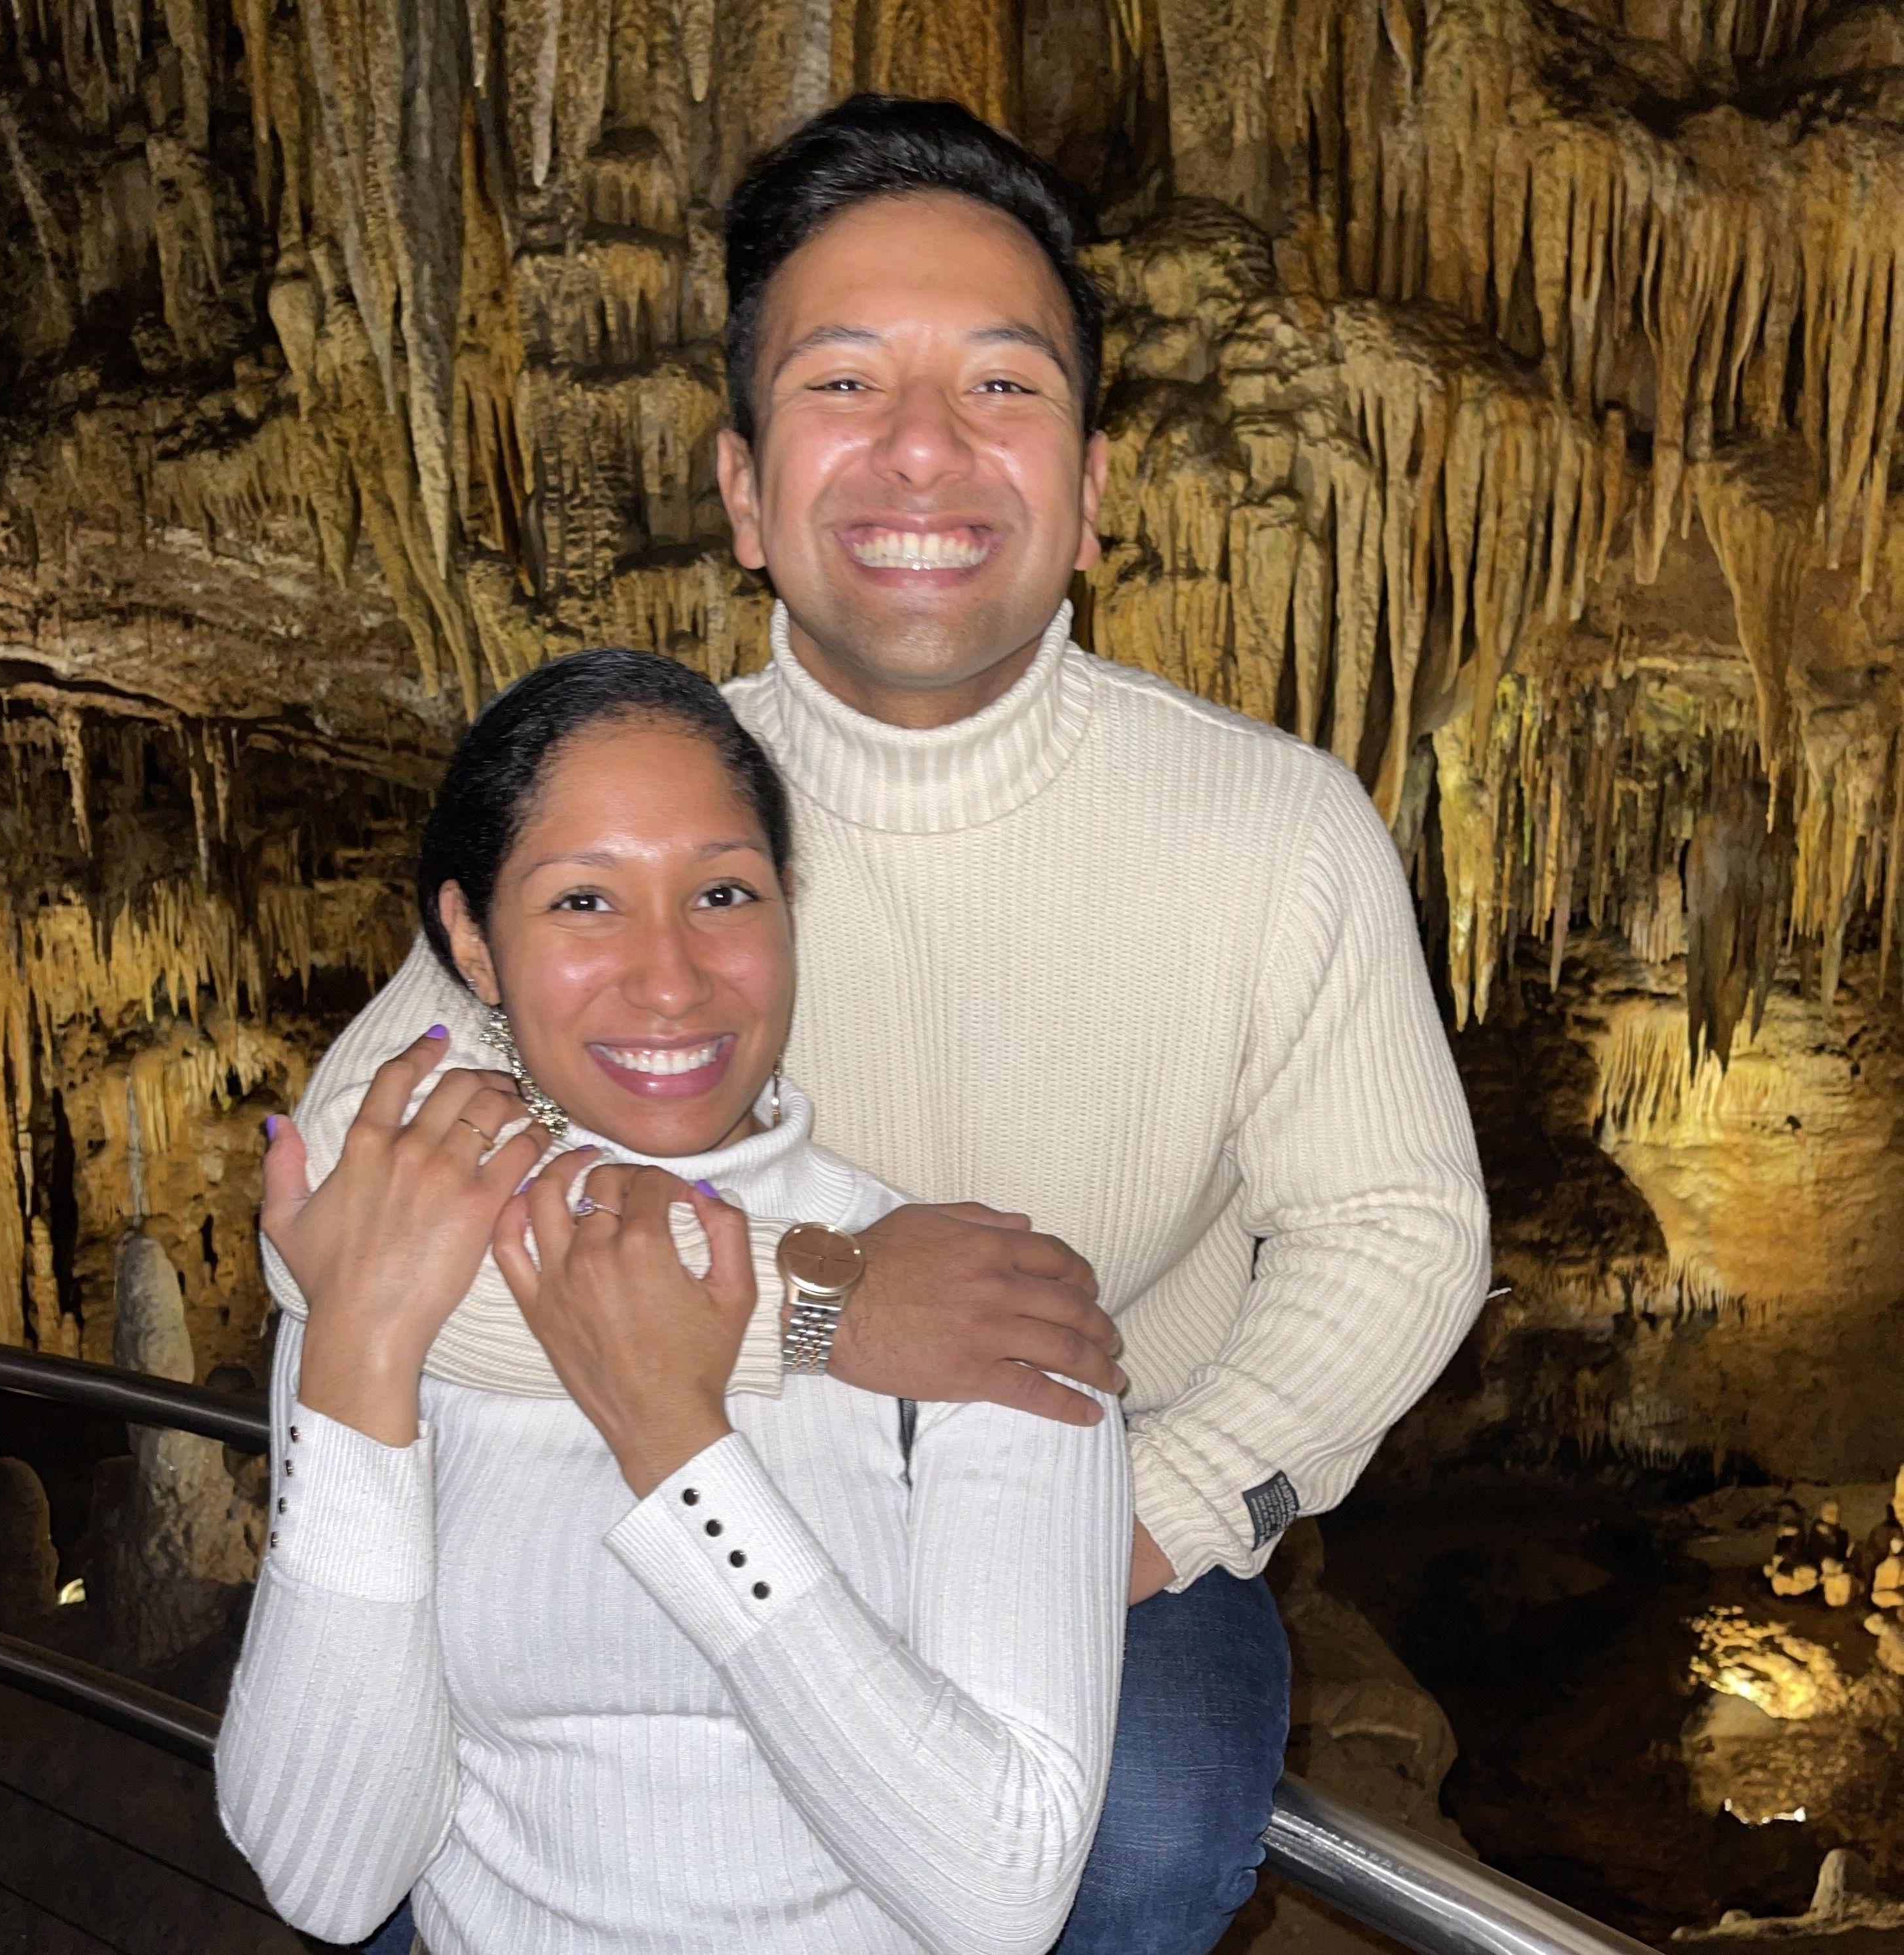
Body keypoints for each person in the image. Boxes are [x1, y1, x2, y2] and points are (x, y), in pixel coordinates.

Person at [311, 94, 1489, 1955]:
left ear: (1089, 492)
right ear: (741, 490)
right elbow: (346, 1210)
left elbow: (1395, 1230)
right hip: (664, 1438)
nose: (923, 448)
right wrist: (816, 1314)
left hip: (1096, 1494)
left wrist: (1163, 1500)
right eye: (844, 384)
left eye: (1000, 387)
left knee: (1138, 1826)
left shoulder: (1274, 831)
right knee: (411, 1788)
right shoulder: (632, 804)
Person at [215, 652, 1130, 1952]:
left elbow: (1001, 1894)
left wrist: (675, 1440)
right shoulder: (398, 1281)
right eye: (584, 899)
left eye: (721, 893)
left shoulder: (968, 1302)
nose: (670, 977)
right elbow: (330, 1876)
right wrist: (358, 1350)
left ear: (788, 908)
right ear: (471, 942)